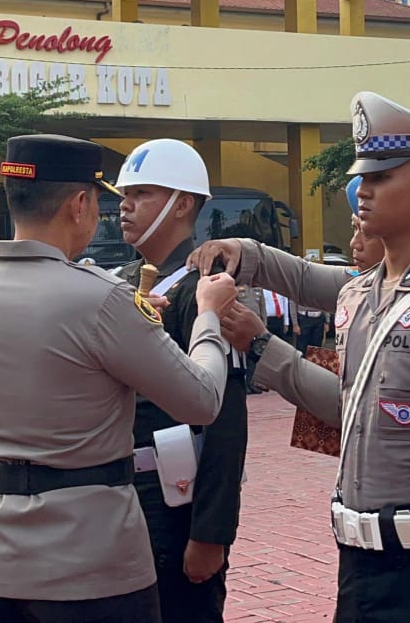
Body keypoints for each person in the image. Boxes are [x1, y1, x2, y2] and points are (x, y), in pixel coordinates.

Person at [194, 92, 410, 622]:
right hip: (356, 561)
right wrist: (246, 255)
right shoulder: (363, 292)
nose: (362, 192)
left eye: (380, 178)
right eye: (362, 178)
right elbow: (305, 281)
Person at [0, 134, 232, 623]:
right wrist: (208, 318)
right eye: (100, 200)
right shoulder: (103, 299)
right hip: (90, 565)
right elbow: (202, 401)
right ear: (78, 203)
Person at [109, 139, 249, 623]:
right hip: (117, 494)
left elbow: (226, 419)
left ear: (183, 203)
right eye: (125, 193)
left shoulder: (207, 288)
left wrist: (211, 532)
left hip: (176, 501)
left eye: (142, 193)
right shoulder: (121, 281)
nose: (124, 205)